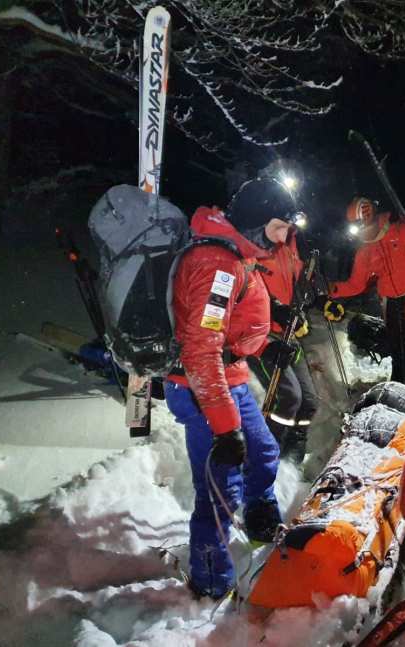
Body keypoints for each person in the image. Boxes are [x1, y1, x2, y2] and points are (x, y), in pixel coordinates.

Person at [164, 205, 286, 600]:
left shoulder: (236, 256)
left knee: (263, 450)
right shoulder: (218, 263)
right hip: (203, 388)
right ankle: (210, 580)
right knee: (220, 488)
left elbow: (227, 325)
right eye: (277, 226)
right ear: (254, 218)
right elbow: (201, 348)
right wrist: (225, 427)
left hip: (227, 379)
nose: (282, 238)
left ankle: (260, 521)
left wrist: (264, 346)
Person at [325, 197, 405, 397]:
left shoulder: (403, 231)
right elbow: (357, 283)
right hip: (393, 303)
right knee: (399, 352)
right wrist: (332, 289)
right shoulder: (366, 249)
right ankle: (400, 395)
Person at [243, 213, 319, 465]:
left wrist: (320, 300)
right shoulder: (255, 243)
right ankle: (266, 454)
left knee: (309, 401)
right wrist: (277, 309)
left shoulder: (293, 245)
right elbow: (249, 285)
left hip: (287, 332)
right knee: (288, 397)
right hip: (262, 334)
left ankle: (292, 455)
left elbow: (298, 287)